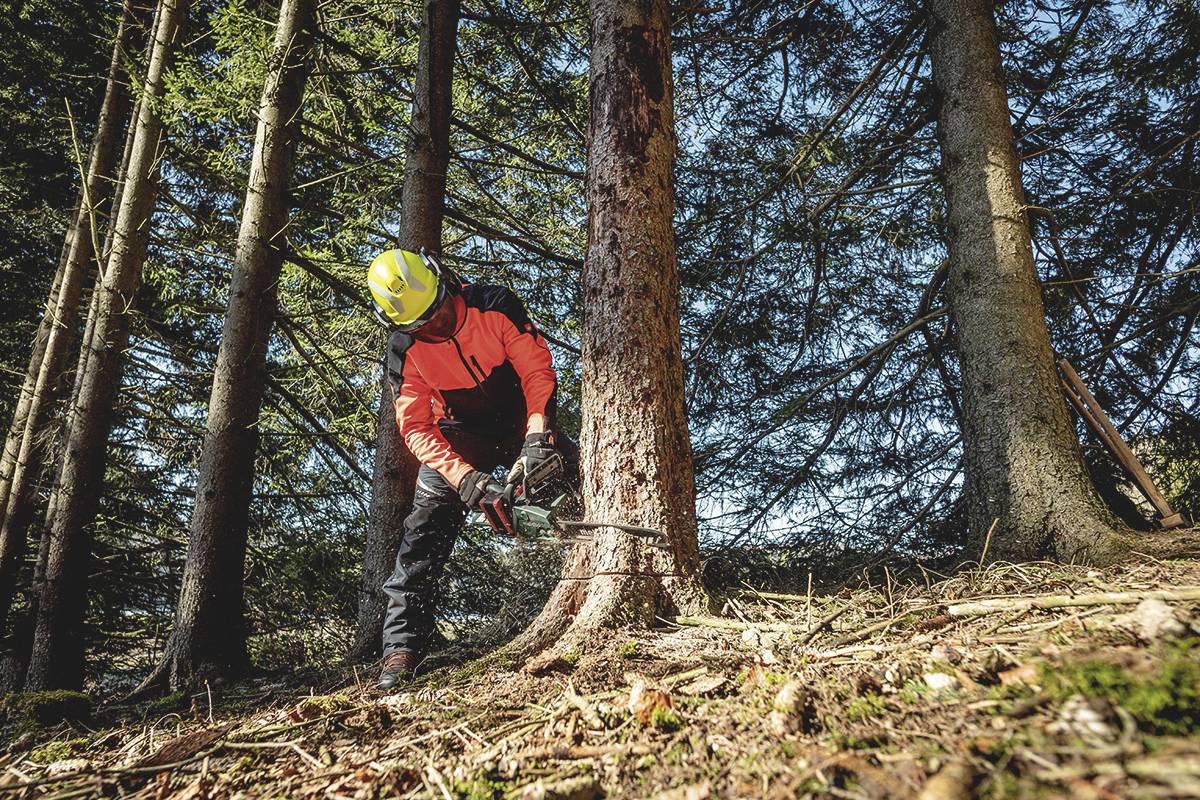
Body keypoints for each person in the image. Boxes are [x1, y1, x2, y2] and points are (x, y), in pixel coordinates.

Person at [367, 248, 567, 690]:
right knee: (422, 536)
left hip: (519, 417)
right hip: (458, 433)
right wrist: (467, 480)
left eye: (437, 312)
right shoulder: (406, 349)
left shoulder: (493, 306)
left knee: (570, 469)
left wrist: (537, 439)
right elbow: (415, 426)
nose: (434, 326)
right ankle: (401, 648)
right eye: (420, 324)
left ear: (445, 281)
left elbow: (537, 372)